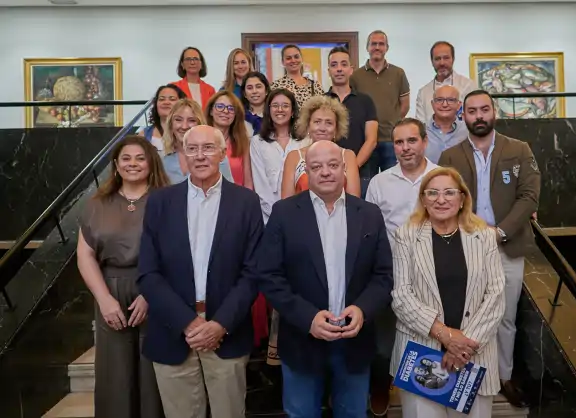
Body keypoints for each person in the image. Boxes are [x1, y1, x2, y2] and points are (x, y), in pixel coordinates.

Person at [255, 140, 394, 418]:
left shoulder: (369, 214)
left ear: (344, 169)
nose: (326, 172)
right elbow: (269, 276)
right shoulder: (284, 213)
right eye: (316, 167)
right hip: (301, 339)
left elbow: (383, 275)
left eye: (332, 165)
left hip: (354, 340)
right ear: (307, 171)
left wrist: (362, 309)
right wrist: (308, 318)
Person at [138, 125, 264, 418]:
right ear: (182, 154)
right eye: (191, 148)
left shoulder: (246, 202)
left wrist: (219, 324)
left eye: (208, 148)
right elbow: (148, 272)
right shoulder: (160, 202)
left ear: (222, 153)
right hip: (172, 331)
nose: (199, 155)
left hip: (227, 332)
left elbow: (254, 272)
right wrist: (187, 323)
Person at [438, 90, 541, 408]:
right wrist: (473, 234)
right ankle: (472, 378)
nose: (479, 116)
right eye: (472, 111)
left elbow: (529, 196)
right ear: (463, 115)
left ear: (494, 112)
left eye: (484, 109)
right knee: (468, 317)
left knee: (505, 317)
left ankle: (504, 377)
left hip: (507, 245)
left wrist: (500, 232)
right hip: (465, 247)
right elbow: (444, 200)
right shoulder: (450, 156)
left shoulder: (519, 150)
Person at [390, 166, 506, 418]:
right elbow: (401, 296)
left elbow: (496, 295)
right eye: (432, 193)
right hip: (422, 352)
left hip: (473, 355)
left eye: (449, 192)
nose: (440, 199)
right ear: (423, 199)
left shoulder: (484, 237)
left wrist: (462, 347)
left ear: (462, 198)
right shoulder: (405, 236)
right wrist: (445, 335)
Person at [77, 135, 170, 418]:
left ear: (151, 163)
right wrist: (104, 300)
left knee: (153, 373)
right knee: (115, 375)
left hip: (155, 289)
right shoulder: (97, 203)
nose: (133, 164)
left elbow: (176, 253)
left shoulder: (168, 200)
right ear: (116, 165)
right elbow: (85, 255)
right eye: (126, 158)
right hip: (110, 290)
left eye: (140, 158)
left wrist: (151, 294)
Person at [365, 117, 438, 416]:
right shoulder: (380, 182)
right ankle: (381, 387)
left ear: (424, 142)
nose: (405, 148)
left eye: (412, 141)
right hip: (390, 277)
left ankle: (427, 400)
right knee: (383, 346)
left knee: (429, 341)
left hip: (433, 278)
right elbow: (370, 232)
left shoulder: (442, 178)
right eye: (399, 142)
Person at [351, 30, 410, 172]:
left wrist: (392, 121)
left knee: (392, 181)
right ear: (367, 47)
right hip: (365, 142)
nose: (377, 47)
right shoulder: (355, 76)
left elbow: (405, 105)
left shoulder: (398, 73)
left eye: (381, 44)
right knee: (366, 182)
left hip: (391, 140)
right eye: (373, 44)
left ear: (387, 48)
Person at [280, 95, 360, 199]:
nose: (322, 128)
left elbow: (354, 201)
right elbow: (286, 203)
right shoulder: (294, 157)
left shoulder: (348, 156)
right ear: (308, 125)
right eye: (317, 122)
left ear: (336, 128)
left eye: (329, 123)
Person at [325, 46, 378, 198]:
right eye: (334, 65)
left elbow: (371, 140)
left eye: (344, 64)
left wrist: (352, 167)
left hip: (362, 172)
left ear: (351, 69)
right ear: (329, 71)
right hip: (328, 173)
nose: (339, 69)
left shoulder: (365, 101)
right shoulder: (321, 102)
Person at [250, 88, 308, 224]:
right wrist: (277, 215)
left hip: (302, 215)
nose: (280, 110)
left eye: (285, 106)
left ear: (292, 111)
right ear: (269, 110)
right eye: (275, 105)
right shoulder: (257, 142)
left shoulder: (305, 140)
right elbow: (260, 184)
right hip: (269, 217)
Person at [161, 98, 233, 184]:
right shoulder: (162, 158)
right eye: (178, 120)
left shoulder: (216, 155)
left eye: (191, 120)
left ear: (200, 124)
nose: (184, 126)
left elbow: (229, 190)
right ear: (171, 124)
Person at [416, 41, 477, 123]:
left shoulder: (468, 86)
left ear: (453, 59)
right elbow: (420, 125)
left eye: (446, 58)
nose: (442, 63)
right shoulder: (423, 92)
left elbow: (475, 118)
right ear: (432, 61)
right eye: (437, 59)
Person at [205, 91, 253, 188]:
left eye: (231, 108)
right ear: (211, 111)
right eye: (220, 106)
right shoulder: (200, 141)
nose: (226, 111)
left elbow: (248, 181)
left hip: (237, 196)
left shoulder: (242, 142)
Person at [424, 85, 468, 164]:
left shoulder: (468, 131)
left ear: (459, 105)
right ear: (432, 104)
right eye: (439, 100)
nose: (444, 105)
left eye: (451, 100)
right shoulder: (421, 131)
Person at [139, 84, 187, 154]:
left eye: (172, 99)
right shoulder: (144, 135)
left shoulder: (189, 132)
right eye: (161, 99)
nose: (166, 102)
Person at [241, 71, 271, 137]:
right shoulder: (239, 117)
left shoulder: (274, 115)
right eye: (250, 88)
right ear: (244, 94)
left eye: (258, 87)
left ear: (266, 90)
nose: (254, 91)